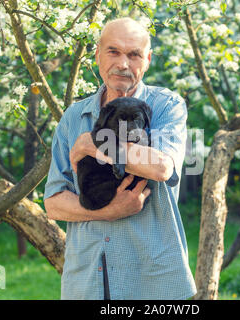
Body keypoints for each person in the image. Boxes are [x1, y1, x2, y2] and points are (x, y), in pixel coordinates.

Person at [43, 17, 197, 300]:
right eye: (113, 51)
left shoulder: (165, 106)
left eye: (134, 54)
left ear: (147, 60)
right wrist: (109, 210)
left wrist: (95, 143)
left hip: (151, 280)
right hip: (87, 277)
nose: (124, 64)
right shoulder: (73, 118)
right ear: (97, 54)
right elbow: (53, 203)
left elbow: (161, 166)